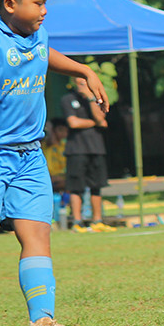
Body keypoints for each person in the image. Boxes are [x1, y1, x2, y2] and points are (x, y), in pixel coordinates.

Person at [0, 0, 110, 326]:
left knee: (37, 236)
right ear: (9, 4)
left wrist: (83, 70)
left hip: (29, 156)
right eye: (38, 2)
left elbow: (41, 55)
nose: (45, 9)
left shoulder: (35, 31)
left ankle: (42, 324)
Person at [61, 76, 115, 232]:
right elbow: (73, 122)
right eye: (79, 83)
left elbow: (100, 117)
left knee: (96, 186)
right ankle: (77, 221)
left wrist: (91, 98)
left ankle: (97, 220)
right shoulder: (68, 99)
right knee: (76, 187)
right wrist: (95, 123)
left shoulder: (95, 99)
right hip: (76, 149)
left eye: (84, 83)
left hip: (96, 148)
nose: (81, 86)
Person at [42, 117, 69, 193]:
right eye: (60, 130)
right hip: (48, 178)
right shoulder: (44, 144)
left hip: (63, 179)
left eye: (66, 131)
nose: (64, 133)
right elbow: (51, 140)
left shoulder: (66, 145)